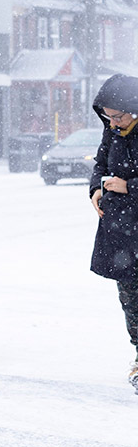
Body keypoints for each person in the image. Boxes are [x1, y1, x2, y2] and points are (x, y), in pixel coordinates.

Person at [88, 73, 138, 394]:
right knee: (130, 300)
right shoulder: (113, 131)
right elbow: (100, 163)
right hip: (120, 231)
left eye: (117, 115)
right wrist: (95, 188)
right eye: (107, 116)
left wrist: (129, 186)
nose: (112, 121)